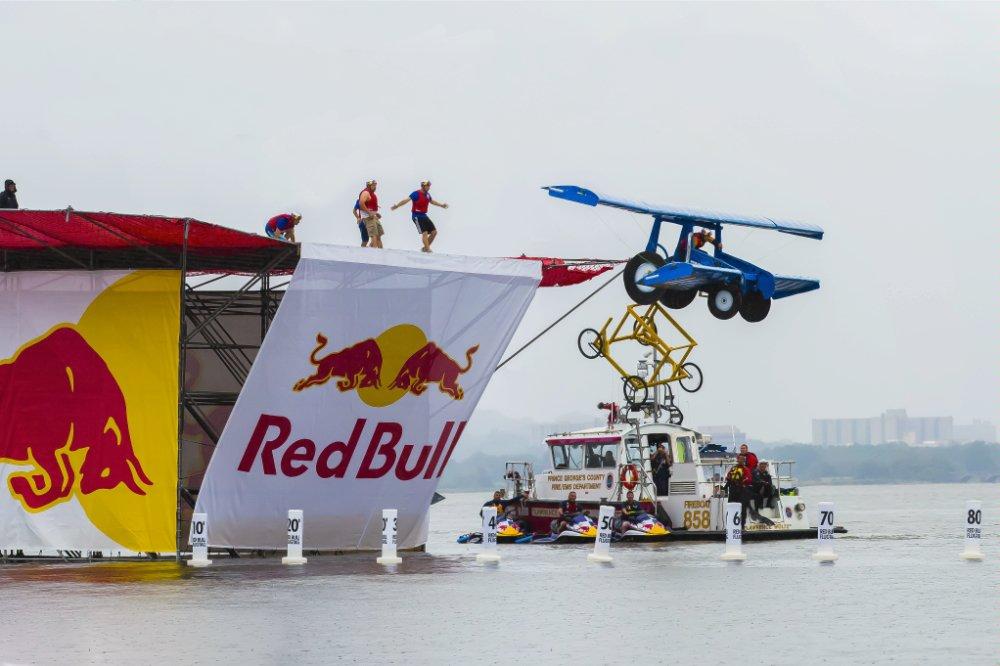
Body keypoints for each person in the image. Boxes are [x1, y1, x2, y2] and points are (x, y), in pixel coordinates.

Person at [390, 180, 449, 253]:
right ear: (423, 186)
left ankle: (425, 248)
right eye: (427, 186)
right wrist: (397, 206)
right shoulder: (416, 193)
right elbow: (406, 200)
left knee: (434, 232)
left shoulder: (427, 195)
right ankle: (428, 250)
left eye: (429, 186)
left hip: (424, 215)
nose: (429, 188)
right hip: (416, 216)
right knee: (425, 232)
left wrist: (442, 205)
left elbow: (432, 201)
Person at [724, 453, 753, 526]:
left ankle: (742, 526)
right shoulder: (733, 468)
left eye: (743, 459)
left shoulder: (746, 469)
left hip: (742, 491)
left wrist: (742, 481)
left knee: (742, 509)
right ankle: (729, 525)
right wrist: (729, 480)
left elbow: (749, 479)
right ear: (738, 459)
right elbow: (728, 476)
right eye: (740, 459)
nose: (742, 460)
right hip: (733, 490)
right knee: (730, 507)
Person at [358, 180, 384, 248]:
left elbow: (370, 207)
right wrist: (369, 212)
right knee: (374, 236)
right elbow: (361, 203)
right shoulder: (366, 192)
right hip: (367, 218)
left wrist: (376, 214)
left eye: (375, 185)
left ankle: (381, 254)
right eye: (373, 185)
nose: (375, 187)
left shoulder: (372, 194)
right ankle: (374, 255)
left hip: (373, 217)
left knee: (378, 235)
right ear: (369, 186)